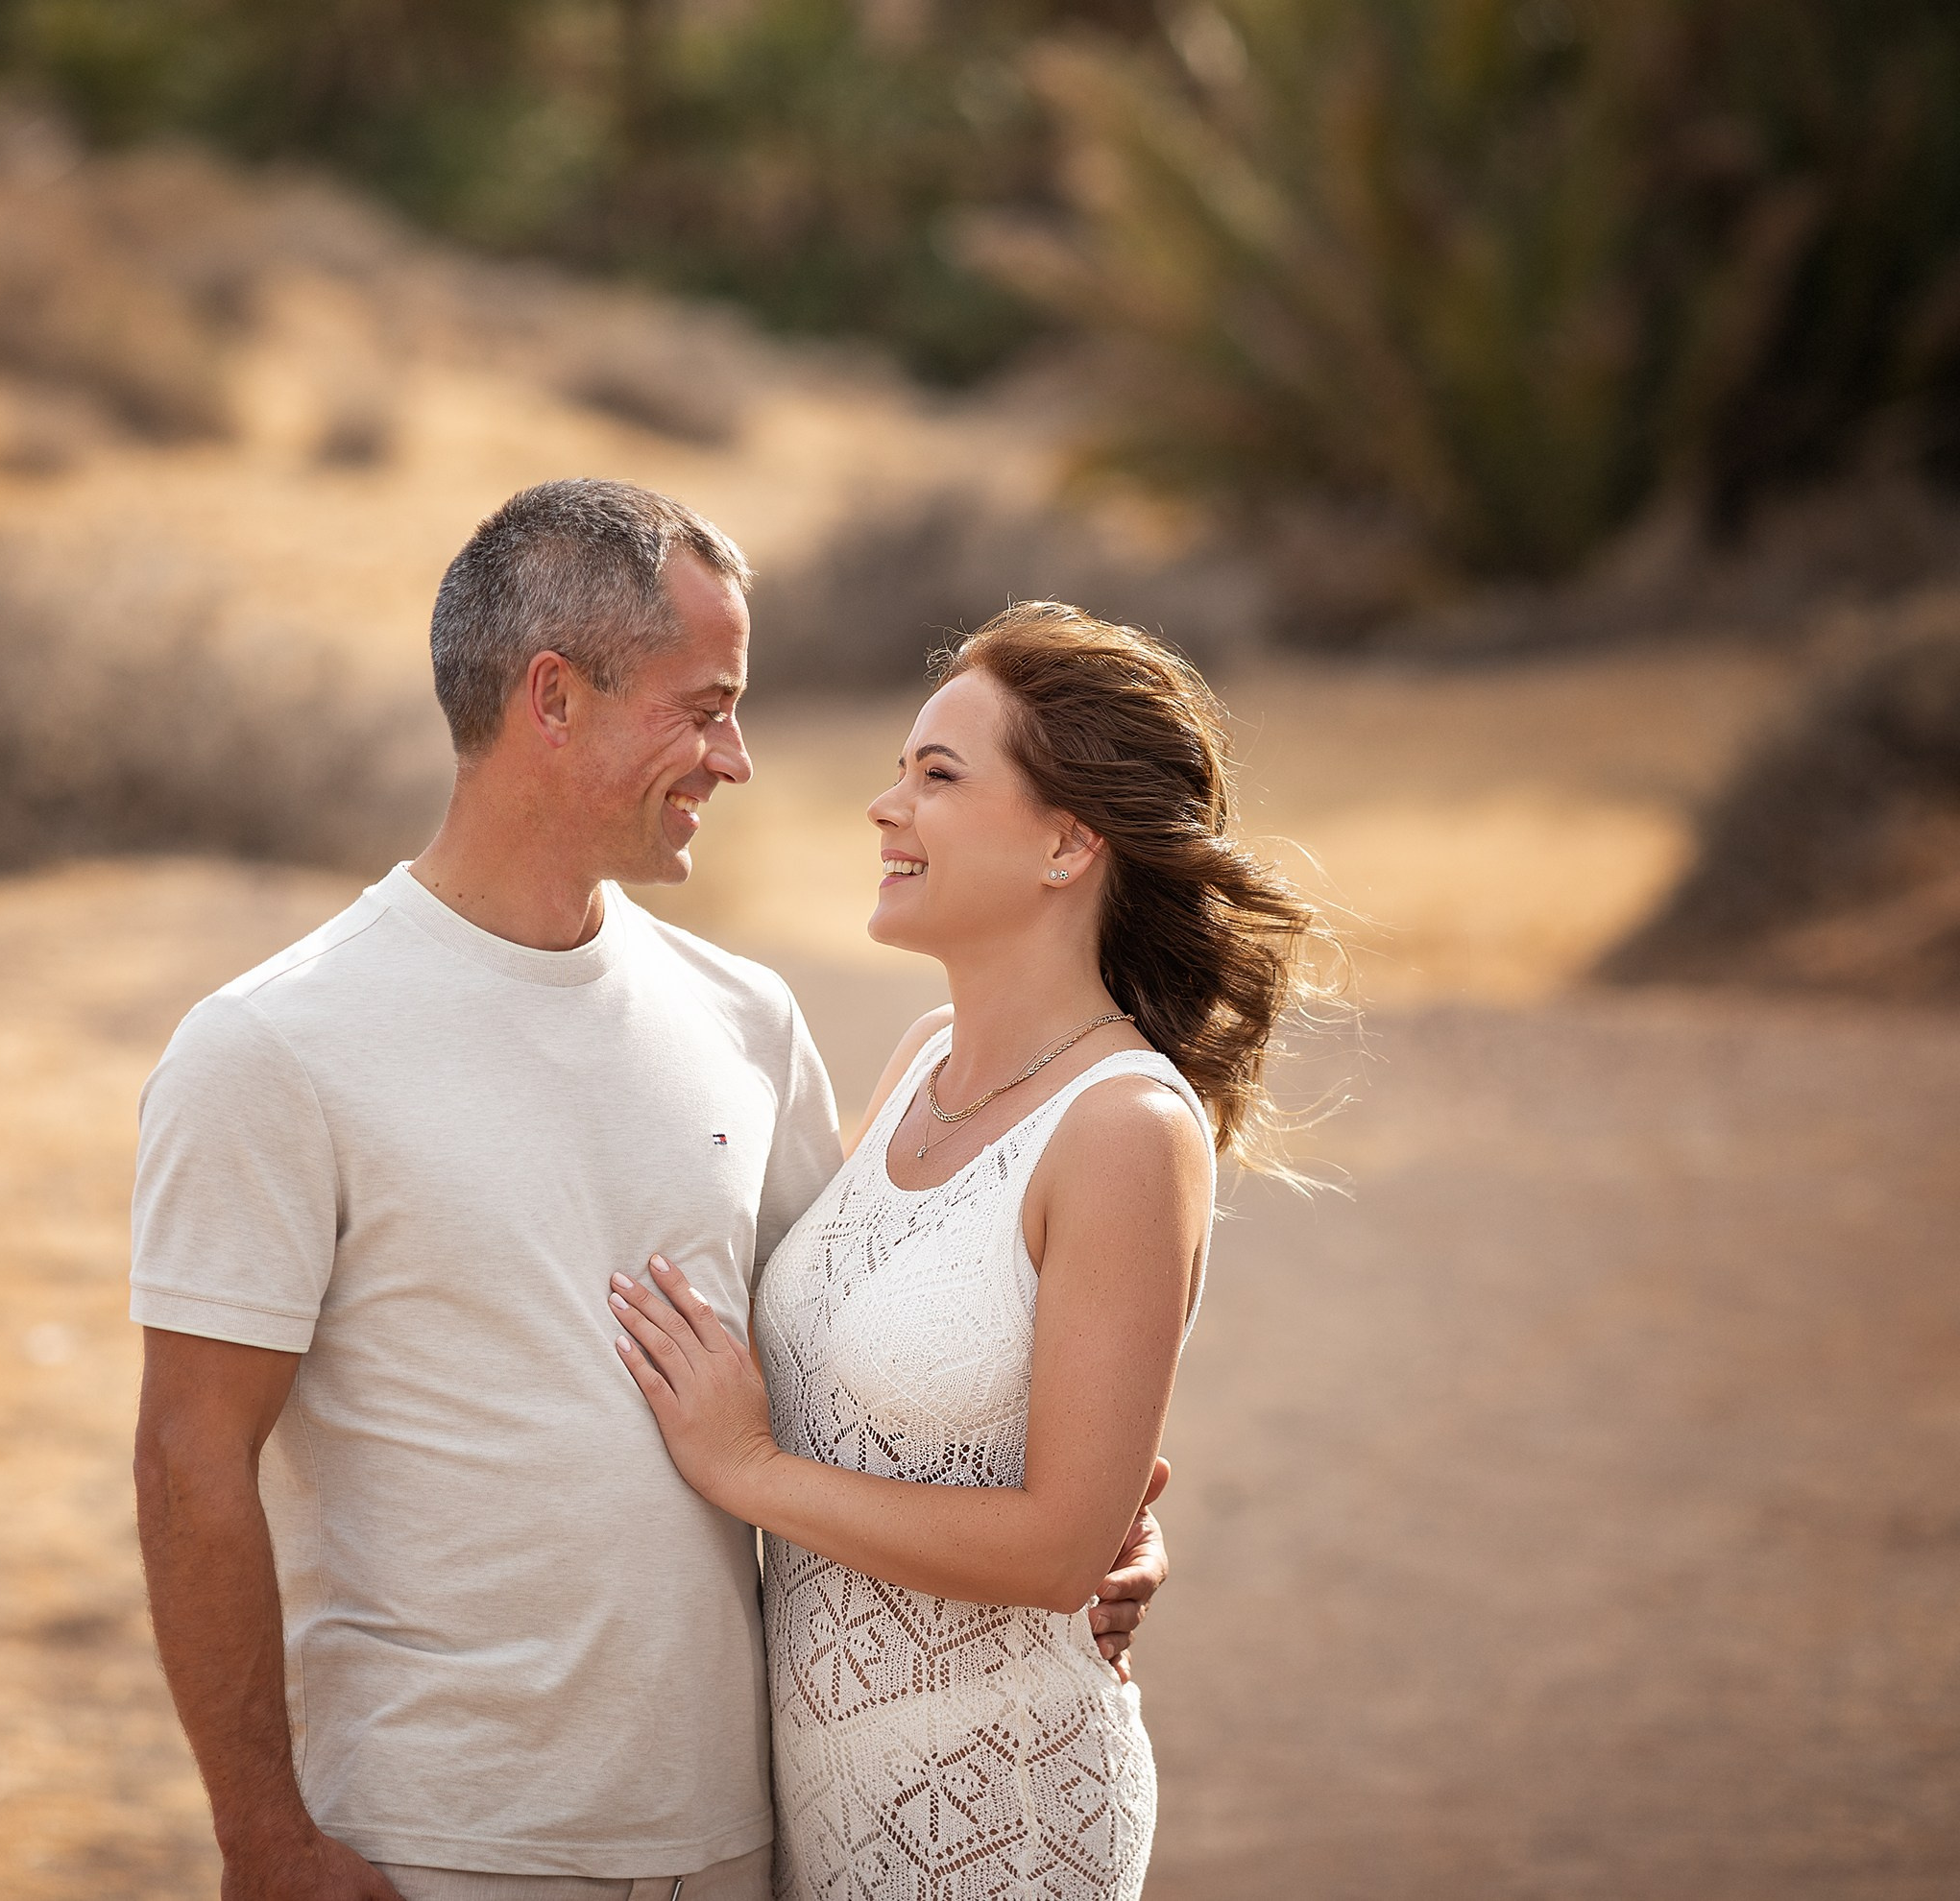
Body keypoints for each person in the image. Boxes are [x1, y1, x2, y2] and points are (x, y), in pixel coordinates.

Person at [128, 482, 1170, 1901]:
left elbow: (843, 1368)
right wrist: (262, 1837)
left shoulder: (746, 1018)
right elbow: (190, 1461)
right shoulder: (273, 1046)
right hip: (443, 1842)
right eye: (703, 705)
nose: (733, 759)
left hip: (741, 1829)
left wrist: (1086, 1521)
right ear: (550, 699)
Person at [611, 601, 1324, 1898]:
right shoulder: (916, 1067)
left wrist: (747, 1470)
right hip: (814, 1790)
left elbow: (1060, 1549)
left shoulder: (1123, 1125)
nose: (885, 809)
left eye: (937, 777)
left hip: (997, 1803)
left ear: (1066, 842)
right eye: (898, 772)